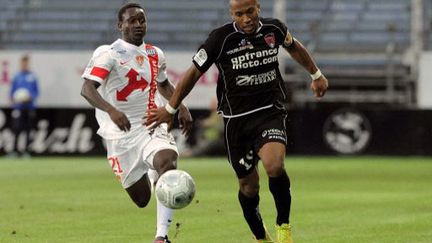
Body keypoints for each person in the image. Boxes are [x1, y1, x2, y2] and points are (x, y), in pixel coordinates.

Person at [146, 0, 329, 242]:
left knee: (274, 166)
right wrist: (171, 108)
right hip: (237, 122)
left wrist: (316, 74)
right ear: (232, 14)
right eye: (239, 14)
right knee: (248, 187)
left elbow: (294, 47)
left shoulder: (274, 29)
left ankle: (283, 226)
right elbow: (192, 74)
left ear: (259, 8)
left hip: (269, 112)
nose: (246, 18)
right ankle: (260, 237)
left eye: (250, 12)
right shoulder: (219, 39)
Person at [80, 3, 192, 243]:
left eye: (142, 20)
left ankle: (161, 237)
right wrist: (111, 110)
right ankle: (153, 175)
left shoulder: (155, 54)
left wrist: (180, 106)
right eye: (132, 21)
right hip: (119, 135)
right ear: (120, 25)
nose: (138, 24)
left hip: (150, 124)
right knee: (142, 199)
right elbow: (87, 88)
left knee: (167, 163)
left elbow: (162, 84)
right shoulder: (108, 53)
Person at [9, 54, 39, 158]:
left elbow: (36, 92)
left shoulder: (32, 77)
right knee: (16, 129)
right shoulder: (16, 76)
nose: (24, 65)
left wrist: (30, 97)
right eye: (23, 63)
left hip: (29, 107)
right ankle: (14, 151)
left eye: (26, 63)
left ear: (28, 64)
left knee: (28, 130)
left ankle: (27, 151)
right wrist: (13, 99)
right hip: (18, 107)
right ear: (21, 63)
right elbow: (12, 92)